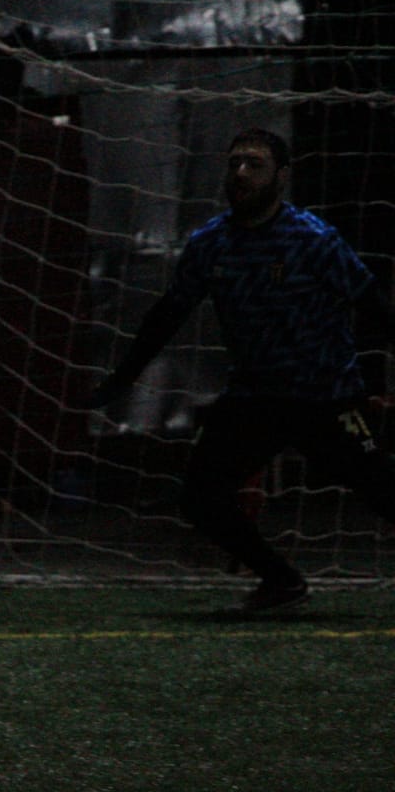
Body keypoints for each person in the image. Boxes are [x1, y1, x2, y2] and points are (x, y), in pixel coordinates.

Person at [85, 127, 395, 613]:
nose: (241, 173)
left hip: (326, 395)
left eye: (254, 164)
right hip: (256, 397)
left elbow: (373, 305)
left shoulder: (313, 239)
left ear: (281, 176)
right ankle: (281, 581)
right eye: (235, 163)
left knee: (381, 491)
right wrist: (122, 378)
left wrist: (371, 383)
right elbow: (168, 313)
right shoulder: (211, 242)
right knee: (200, 499)